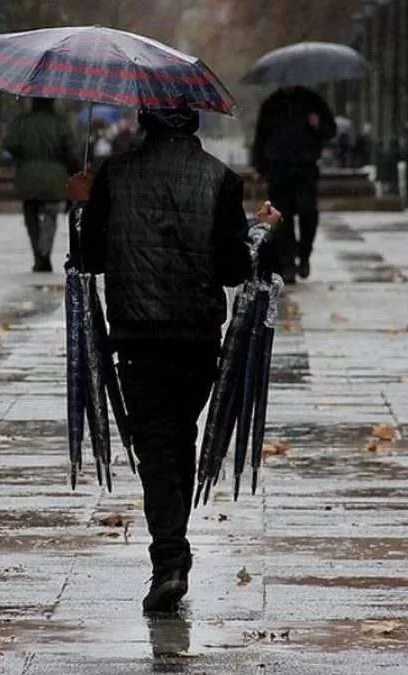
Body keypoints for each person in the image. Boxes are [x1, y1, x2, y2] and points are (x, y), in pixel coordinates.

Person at [69, 106, 281, 614]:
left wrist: (80, 205)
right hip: (196, 337)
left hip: (137, 336)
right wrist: (261, 230)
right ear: (193, 123)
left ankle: (169, 559)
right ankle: (171, 552)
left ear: (145, 120)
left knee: (158, 447)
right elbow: (233, 270)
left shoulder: (114, 175)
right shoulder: (221, 179)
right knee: (177, 438)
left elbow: (90, 258)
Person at [251, 86, 335, 283]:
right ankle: (288, 263)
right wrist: (260, 166)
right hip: (278, 168)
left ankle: (304, 255)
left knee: (308, 214)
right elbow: (261, 137)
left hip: (305, 167)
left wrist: (318, 125)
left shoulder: (312, 101)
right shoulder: (271, 103)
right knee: (283, 218)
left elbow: (330, 130)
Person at [3, 98, 80, 273]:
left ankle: (38, 254)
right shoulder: (60, 123)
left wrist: (23, 156)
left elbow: (10, 144)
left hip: (27, 176)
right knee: (51, 215)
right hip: (55, 177)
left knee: (31, 215)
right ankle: (44, 251)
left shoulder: (23, 121)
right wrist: (75, 170)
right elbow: (70, 150)